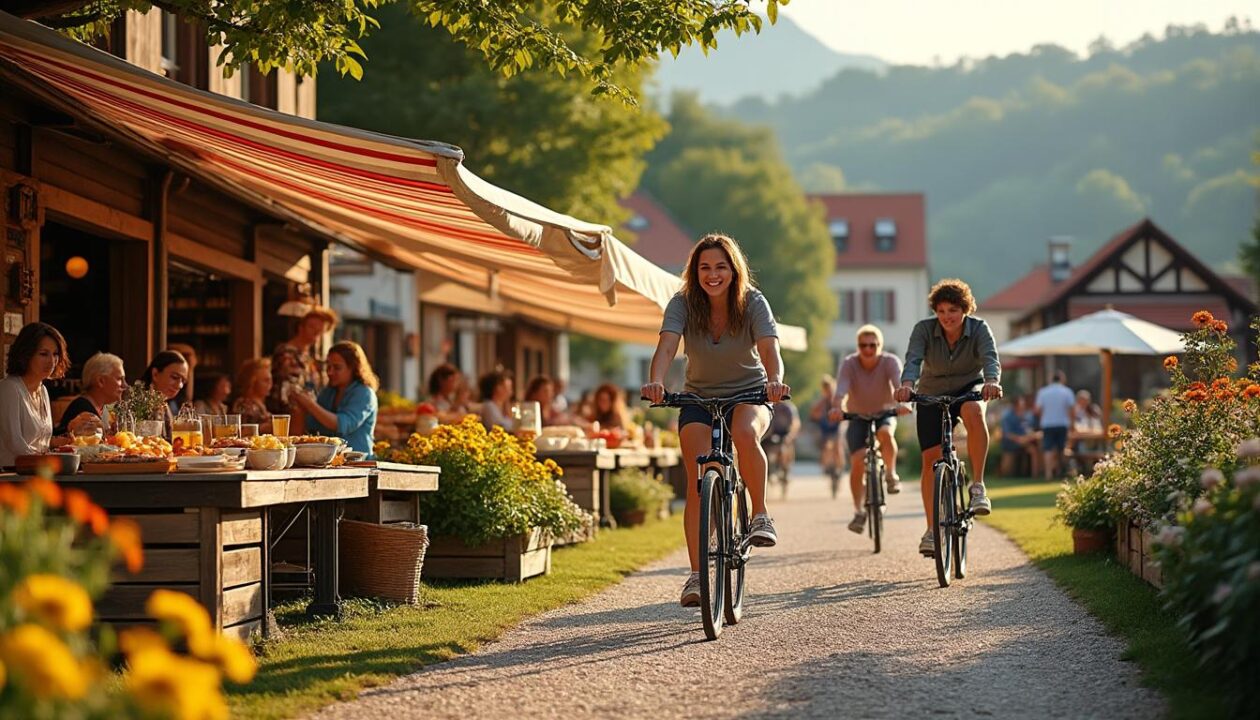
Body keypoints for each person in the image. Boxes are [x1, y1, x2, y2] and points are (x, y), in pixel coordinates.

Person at [640, 233, 789, 608]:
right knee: (697, 477)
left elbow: (770, 349)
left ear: (733, 269)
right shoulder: (683, 303)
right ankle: (695, 575)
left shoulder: (753, 302)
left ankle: (759, 515)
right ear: (695, 272)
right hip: (698, 397)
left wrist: (773, 381)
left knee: (743, 432)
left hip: (751, 393)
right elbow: (667, 346)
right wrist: (657, 381)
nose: (713, 274)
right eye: (704, 267)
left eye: (720, 266)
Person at [895, 278, 1002, 557]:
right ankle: (932, 530)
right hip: (931, 393)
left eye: (952, 310)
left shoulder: (979, 329)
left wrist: (992, 380)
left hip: (969, 389)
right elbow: (913, 359)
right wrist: (907, 385)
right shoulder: (924, 330)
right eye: (941, 311)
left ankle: (977, 485)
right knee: (930, 461)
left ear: (965, 309)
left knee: (974, 410)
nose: (946, 317)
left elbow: (991, 357)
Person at [831, 324, 909, 534]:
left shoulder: (890, 361)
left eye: (872, 345)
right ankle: (858, 511)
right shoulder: (849, 363)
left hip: (884, 413)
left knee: (885, 433)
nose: (867, 349)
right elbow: (841, 389)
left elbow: (898, 385)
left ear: (879, 346)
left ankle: (891, 475)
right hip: (857, 416)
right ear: (858, 346)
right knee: (857, 462)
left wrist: (903, 403)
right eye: (863, 345)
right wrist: (837, 407)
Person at [1, 322, 70, 467]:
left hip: (38, 472)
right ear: (26, 355)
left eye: (55, 354)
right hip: (11, 475)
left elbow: (41, 442)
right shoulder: (9, 388)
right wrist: (48, 462)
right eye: (43, 354)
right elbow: (15, 442)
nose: (52, 361)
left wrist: (65, 441)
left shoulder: (43, 390)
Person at [292, 341, 378, 455]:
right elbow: (311, 425)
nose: (330, 372)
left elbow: (342, 425)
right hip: (329, 462)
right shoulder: (328, 392)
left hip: (357, 464)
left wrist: (310, 404)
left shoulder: (364, 393)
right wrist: (300, 406)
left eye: (337, 368)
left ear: (353, 368)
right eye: (328, 366)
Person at [53, 352, 126, 437]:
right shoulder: (82, 409)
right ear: (101, 381)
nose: (125, 385)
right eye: (119, 379)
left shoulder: (104, 410)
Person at [1035, 370, 1076, 481]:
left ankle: (1049, 474)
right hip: (1062, 423)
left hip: (1047, 424)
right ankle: (1062, 472)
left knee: (1048, 449)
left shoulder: (1043, 392)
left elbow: (1037, 410)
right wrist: (1072, 424)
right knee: (1062, 449)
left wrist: (1044, 417)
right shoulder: (1067, 392)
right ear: (1062, 379)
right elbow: (1072, 410)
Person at [141, 350, 190, 439]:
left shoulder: (164, 404)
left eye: (183, 381)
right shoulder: (138, 403)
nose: (179, 385)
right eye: (174, 377)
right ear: (155, 374)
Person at [809, 375, 844, 493]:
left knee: (838, 447)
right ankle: (828, 466)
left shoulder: (837, 399)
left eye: (829, 388)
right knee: (826, 448)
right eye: (825, 389)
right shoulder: (822, 401)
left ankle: (839, 468)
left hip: (837, 426)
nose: (828, 391)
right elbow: (813, 414)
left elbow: (845, 411)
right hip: (826, 428)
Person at [761, 396, 801, 491]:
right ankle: (769, 472)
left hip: (785, 433)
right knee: (764, 449)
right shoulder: (770, 407)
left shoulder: (788, 409)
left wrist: (789, 436)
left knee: (784, 450)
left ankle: (785, 471)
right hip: (772, 434)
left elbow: (794, 424)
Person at [998, 396, 1039, 477]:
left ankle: (1033, 473)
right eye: (1021, 404)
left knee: (1037, 446)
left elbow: (1028, 428)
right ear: (1015, 405)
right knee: (1033, 450)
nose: (1023, 406)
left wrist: (1030, 435)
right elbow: (1007, 434)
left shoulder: (1025, 415)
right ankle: (1035, 475)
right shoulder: (1007, 416)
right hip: (1010, 443)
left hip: (1024, 440)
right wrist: (1019, 439)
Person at [232, 358, 273, 434]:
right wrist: (263, 428)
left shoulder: (260, 405)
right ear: (252, 382)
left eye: (270, 380)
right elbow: (239, 432)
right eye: (266, 380)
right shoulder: (243, 405)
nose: (270, 384)